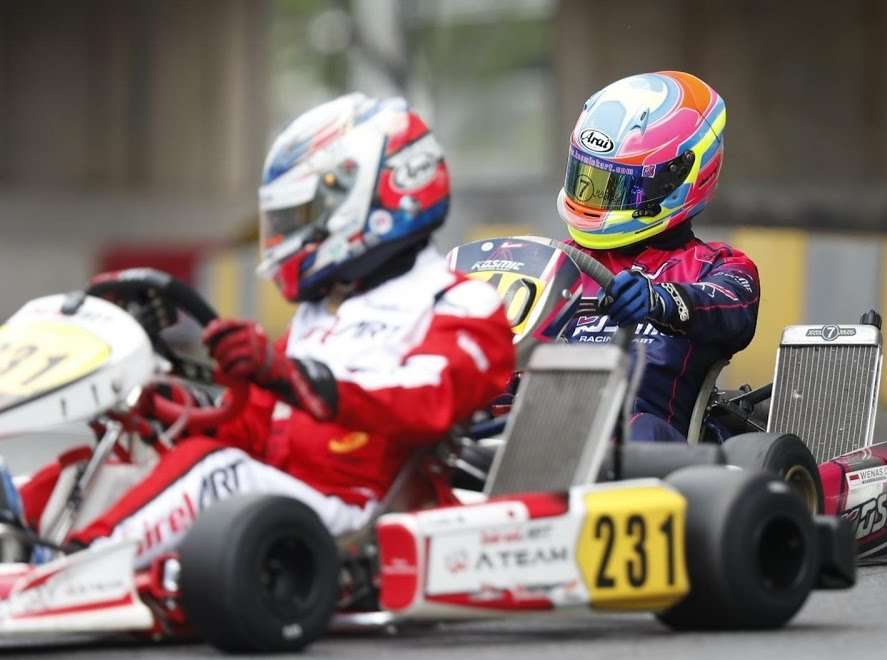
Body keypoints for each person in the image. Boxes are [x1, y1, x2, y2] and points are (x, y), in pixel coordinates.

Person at [16, 94, 514, 567]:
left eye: (299, 218)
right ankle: (17, 533)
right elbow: (256, 429)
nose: (285, 237)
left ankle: (72, 572)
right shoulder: (324, 314)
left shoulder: (458, 302)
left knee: (214, 472)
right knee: (124, 457)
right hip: (277, 502)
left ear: (374, 203)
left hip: (361, 514)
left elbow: (425, 402)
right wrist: (173, 411)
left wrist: (291, 376)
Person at [558, 70, 758, 442]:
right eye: (590, 179)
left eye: (618, 186)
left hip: (644, 450)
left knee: (632, 432)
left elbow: (733, 309)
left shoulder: (718, 265)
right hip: (543, 428)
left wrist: (660, 299)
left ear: (678, 178)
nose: (596, 198)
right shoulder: (558, 264)